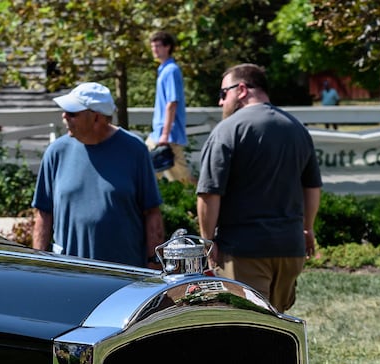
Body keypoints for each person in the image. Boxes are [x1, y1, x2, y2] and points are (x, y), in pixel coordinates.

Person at [195, 63, 321, 312]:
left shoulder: (227, 131)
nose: (221, 102)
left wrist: (207, 241)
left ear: (241, 89)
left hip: (244, 250)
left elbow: (209, 193)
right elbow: (312, 188)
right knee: (276, 322)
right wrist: (307, 230)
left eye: (223, 94)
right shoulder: (296, 128)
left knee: (247, 329)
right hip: (290, 248)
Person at [31, 83, 163, 268]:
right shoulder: (56, 152)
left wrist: (154, 264)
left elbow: (152, 214)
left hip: (124, 275)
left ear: (96, 118)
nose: (64, 116)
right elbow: (43, 215)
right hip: (68, 274)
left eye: (72, 113)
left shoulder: (134, 151)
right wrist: (38, 265)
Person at [147, 30, 193, 184]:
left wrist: (165, 135)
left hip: (167, 135)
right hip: (159, 134)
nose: (154, 49)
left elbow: (172, 103)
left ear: (168, 47)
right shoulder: (164, 70)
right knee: (145, 173)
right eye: (153, 46)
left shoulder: (171, 70)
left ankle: (201, 204)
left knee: (183, 180)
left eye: (158, 46)